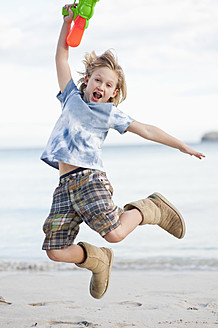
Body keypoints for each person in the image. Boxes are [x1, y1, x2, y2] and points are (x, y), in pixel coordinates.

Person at [41, 5, 205, 300]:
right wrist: (67, 24)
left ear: (114, 92)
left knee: (115, 234)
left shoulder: (108, 114)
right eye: (98, 80)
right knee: (55, 251)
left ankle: (149, 208)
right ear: (88, 79)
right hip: (65, 186)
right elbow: (61, 56)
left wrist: (181, 145)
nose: (101, 87)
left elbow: (147, 129)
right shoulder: (70, 98)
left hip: (89, 179)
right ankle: (98, 260)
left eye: (108, 85)